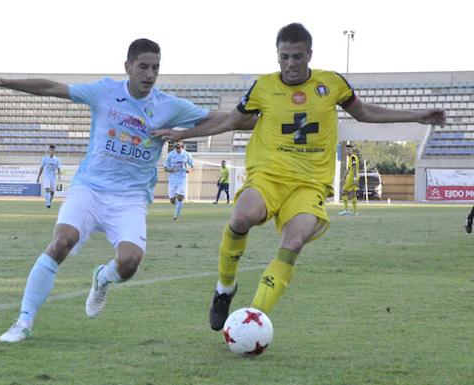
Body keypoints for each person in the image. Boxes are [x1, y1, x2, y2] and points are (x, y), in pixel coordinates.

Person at [153, 23, 446, 331]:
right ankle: (224, 289)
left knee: (295, 240)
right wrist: (184, 134)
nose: (291, 64)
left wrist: (417, 115)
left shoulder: (331, 83)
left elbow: (364, 113)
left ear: (309, 55)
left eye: (297, 56)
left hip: (309, 184)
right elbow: (231, 121)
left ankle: (251, 319)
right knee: (241, 218)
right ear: (277, 56)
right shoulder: (263, 87)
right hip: (269, 175)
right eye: (284, 57)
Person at [0, 38, 220, 343]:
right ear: (127, 66)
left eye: (155, 68)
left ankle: (102, 278)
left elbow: (219, 119)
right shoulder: (104, 92)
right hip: (90, 188)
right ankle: (23, 322)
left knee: (128, 263)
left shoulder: (169, 105)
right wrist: (3, 82)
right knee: (62, 241)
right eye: (143, 66)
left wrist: (187, 132)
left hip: (130, 198)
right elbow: (52, 88)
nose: (150, 74)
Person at [163, 140, 194, 220]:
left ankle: (176, 216)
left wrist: (189, 170)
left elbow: (193, 166)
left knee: (180, 197)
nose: (178, 148)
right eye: (176, 147)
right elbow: (165, 168)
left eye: (179, 147)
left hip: (182, 180)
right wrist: (171, 170)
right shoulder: (170, 155)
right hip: (172, 180)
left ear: (182, 145)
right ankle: (178, 205)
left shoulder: (187, 154)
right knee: (172, 200)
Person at [37, 144, 62, 208]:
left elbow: (59, 168)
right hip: (46, 176)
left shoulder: (57, 159)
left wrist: (59, 176)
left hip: (53, 177)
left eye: (53, 150)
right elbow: (41, 167)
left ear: (54, 151)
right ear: (48, 150)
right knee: (47, 189)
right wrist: (38, 177)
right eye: (51, 150)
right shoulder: (44, 158)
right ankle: (47, 204)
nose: (52, 151)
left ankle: (49, 202)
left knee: (52, 192)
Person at [339, 144, 359, 216]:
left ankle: (346, 210)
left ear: (351, 150)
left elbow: (354, 167)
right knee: (353, 194)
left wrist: (354, 178)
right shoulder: (350, 158)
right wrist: (344, 177)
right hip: (353, 177)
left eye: (349, 149)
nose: (347, 151)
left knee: (343, 192)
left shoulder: (353, 157)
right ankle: (355, 211)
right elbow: (349, 169)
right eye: (346, 149)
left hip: (352, 178)